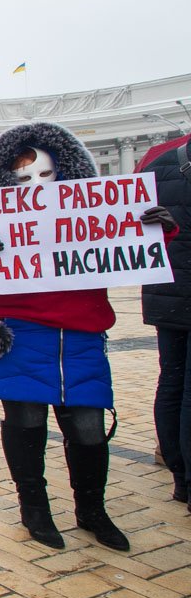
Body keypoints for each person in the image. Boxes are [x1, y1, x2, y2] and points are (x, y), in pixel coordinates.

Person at [0, 122, 176, 552]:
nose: (36, 185)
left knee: (90, 429)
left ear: (64, 171)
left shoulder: (91, 216)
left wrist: (160, 228)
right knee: (26, 423)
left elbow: (133, 254)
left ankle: (92, 510)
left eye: (45, 174)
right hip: (20, 335)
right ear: (6, 180)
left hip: (80, 336)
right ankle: (34, 509)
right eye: (23, 178)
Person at [135, 133, 191, 511]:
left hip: (165, 293)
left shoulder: (157, 167)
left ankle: (179, 476)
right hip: (178, 291)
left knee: (171, 382)